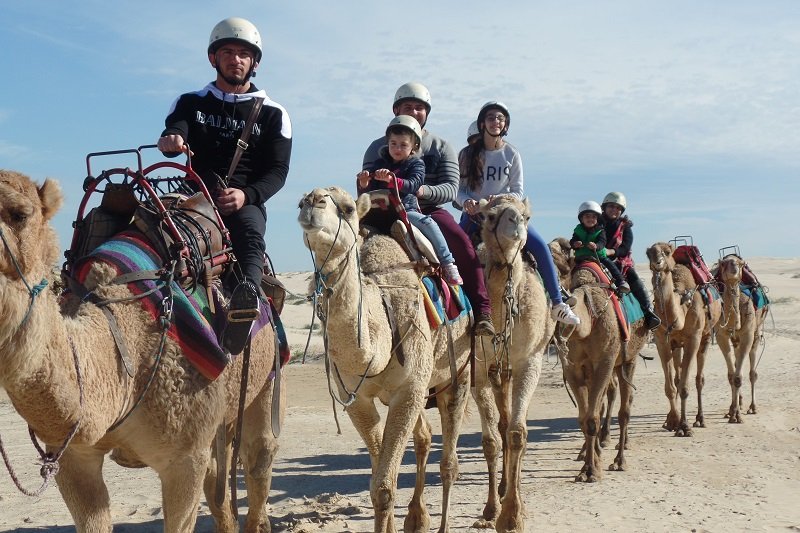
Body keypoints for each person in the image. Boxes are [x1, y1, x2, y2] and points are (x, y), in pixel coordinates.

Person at [157, 17, 292, 355]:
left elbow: (278, 171)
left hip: (243, 200)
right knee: (150, 225)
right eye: (228, 52)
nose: (236, 59)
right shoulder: (191, 102)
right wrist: (172, 140)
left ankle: (247, 296)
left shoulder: (274, 113)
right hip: (194, 198)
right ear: (213, 58)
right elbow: (176, 129)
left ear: (255, 62)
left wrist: (247, 194)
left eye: (244, 54)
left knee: (250, 233)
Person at [362, 82, 495, 336]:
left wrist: (421, 191)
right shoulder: (377, 147)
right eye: (407, 106)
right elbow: (369, 188)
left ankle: (482, 311)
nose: (414, 112)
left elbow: (451, 189)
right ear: (395, 109)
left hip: (427, 209)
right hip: (384, 210)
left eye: (419, 108)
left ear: (427, 113)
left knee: (461, 242)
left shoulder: (441, 146)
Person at [458, 101, 580, 325]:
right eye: (492, 118)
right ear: (482, 122)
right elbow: (460, 190)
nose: (496, 122)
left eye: (500, 118)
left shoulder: (512, 153)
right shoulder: (466, 155)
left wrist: (501, 199)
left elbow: (518, 190)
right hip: (477, 215)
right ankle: (454, 304)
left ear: (505, 124)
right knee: (455, 248)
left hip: (506, 213)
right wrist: (468, 203)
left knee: (540, 247)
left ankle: (557, 301)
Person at [358, 115, 463, 285]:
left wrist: (394, 181)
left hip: (405, 210)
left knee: (428, 223)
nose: (397, 148)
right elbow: (369, 192)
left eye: (403, 145)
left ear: (414, 146)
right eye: (393, 144)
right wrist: (364, 183)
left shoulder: (416, 164)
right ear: (388, 143)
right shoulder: (379, 164)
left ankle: (448, 262)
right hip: (381, 213)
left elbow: (414, 184)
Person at [600, 192, 662, 330]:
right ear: (604, 207)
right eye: (611, 206)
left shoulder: (625, 228)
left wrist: (610, 252)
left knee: (634, 278)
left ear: (621, 211)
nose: (614, 210)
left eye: (618, 208)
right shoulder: (595, 222)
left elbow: (625, 248)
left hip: (618, 263)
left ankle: (648, 313)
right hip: (595, 260)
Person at [570, 201, 631, 293]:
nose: (590, 219)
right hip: (581, 257)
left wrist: (596, 246)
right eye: (587, 216)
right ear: (581, 219)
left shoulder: (600, 231)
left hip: (598, 256)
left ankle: (621, 282)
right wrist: (575, 244)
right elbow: (573, 240)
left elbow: (602, 242)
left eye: (594, 217)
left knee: (609, 264)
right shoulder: (578, 230)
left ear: (598, 219)